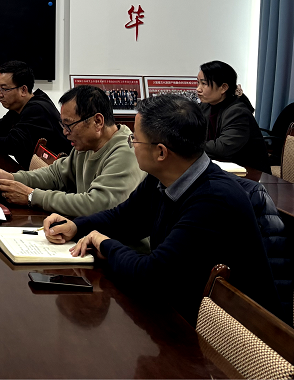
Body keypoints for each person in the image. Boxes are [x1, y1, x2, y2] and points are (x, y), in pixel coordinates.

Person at [43, 94, 277, 325]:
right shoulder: (164, 177)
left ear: (161, 152)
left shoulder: (213, 200)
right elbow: (125, 218)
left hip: (237, 334)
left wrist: (104, 244)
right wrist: (76, 227)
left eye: (135, 139)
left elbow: (151, 276)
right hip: (185, 309)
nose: (131, 145)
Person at [0, 85, 144, 216]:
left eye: (69, 125)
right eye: (63, 125)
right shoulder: (86, 145)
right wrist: (13, 177)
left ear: (97, 121)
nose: (65, 132)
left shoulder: (126, 152)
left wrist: (32, 197)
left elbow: (96, 204)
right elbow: (56, 174)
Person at [196, 60, 269, 170]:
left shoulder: (238, 112)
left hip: (248, 172)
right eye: (198, 83)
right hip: (218, 167)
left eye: (204, 84)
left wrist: (189, 145)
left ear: (223, 88)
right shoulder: (205, 106)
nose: (198, 89)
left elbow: (222, 148)